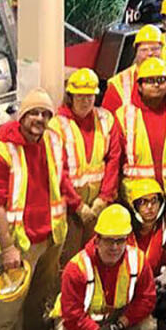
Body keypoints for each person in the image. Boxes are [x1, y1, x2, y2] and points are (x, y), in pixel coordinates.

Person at [0, 90, 80, 330]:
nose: (40, 118)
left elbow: (61, 181)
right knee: (6, 314)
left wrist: (77, 206)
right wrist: (7, 247)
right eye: (34, 113)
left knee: (37, 306)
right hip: (21, 245)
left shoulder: (52, 142)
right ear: (22, 116)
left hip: (51, 238)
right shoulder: (0, 153)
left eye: (45, 114)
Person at [49, 205, 157, 330]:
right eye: (108, 240)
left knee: (148, 327)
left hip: (115, 318)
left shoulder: (137, 260)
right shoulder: (77, 267)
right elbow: (72, 314)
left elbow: (147, 299)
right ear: (97, 239)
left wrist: (120, 324)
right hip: (78, 320)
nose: (114, 247)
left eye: (120, 240)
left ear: (127, 240)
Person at [102, 56, 166, 214]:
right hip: (138, 198)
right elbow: (115, 159)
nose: (157, 85)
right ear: (139, 86)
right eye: (150, 81)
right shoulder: (124, 116)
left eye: (161, 80)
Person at [53, 70, 114, 258]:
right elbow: (58, 171)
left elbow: (113, 160)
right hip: (69, 207)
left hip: (98, 204)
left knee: (96, 256)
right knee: (69, 259)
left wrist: (104, 198)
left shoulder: (106, 119)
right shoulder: (57, 125)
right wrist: (78, 206)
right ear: (70, 97)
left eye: (90, 96)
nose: (85, 101)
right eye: (80, 96)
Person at [124, 179, 166, 330]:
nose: (150, 207)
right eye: (143, 202)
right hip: (132, 294)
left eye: (154, 201)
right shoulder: (125, 229)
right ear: (134, 206)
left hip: (160, 290)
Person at [103, 25, 166, 114]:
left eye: (155, 49)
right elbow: (107, 118)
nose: (150, 53)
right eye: (144, 50)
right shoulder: (118, 84)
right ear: (136, 52)